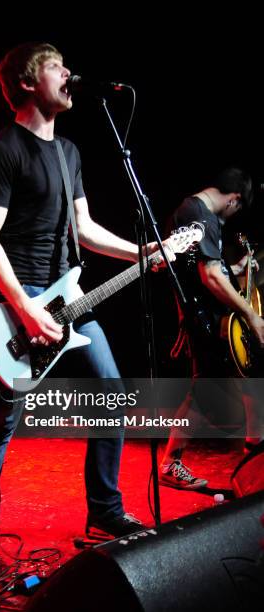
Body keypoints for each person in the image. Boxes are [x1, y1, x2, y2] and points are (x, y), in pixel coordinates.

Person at [0, 42, 175, 558]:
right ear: (28, 83)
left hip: (69, 294)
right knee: (2, 416)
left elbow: (84, 227)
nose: (69, 73)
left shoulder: (68, 151)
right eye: (56, 66)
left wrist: (140, 252)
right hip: (21, 297)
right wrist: (27, 308)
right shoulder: (4, 150)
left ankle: (103, 510)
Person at [159, 167, 264, 489]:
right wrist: (251, 314)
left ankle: (254, 447)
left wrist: (235, 268)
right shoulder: (197, 212)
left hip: (210, 316)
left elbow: (206, 268)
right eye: (237, 209)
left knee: (250, 378)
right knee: (203, 390)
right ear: (234, 200)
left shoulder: (194, 212)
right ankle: (170, 464)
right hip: (203, 318)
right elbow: (210, 277)